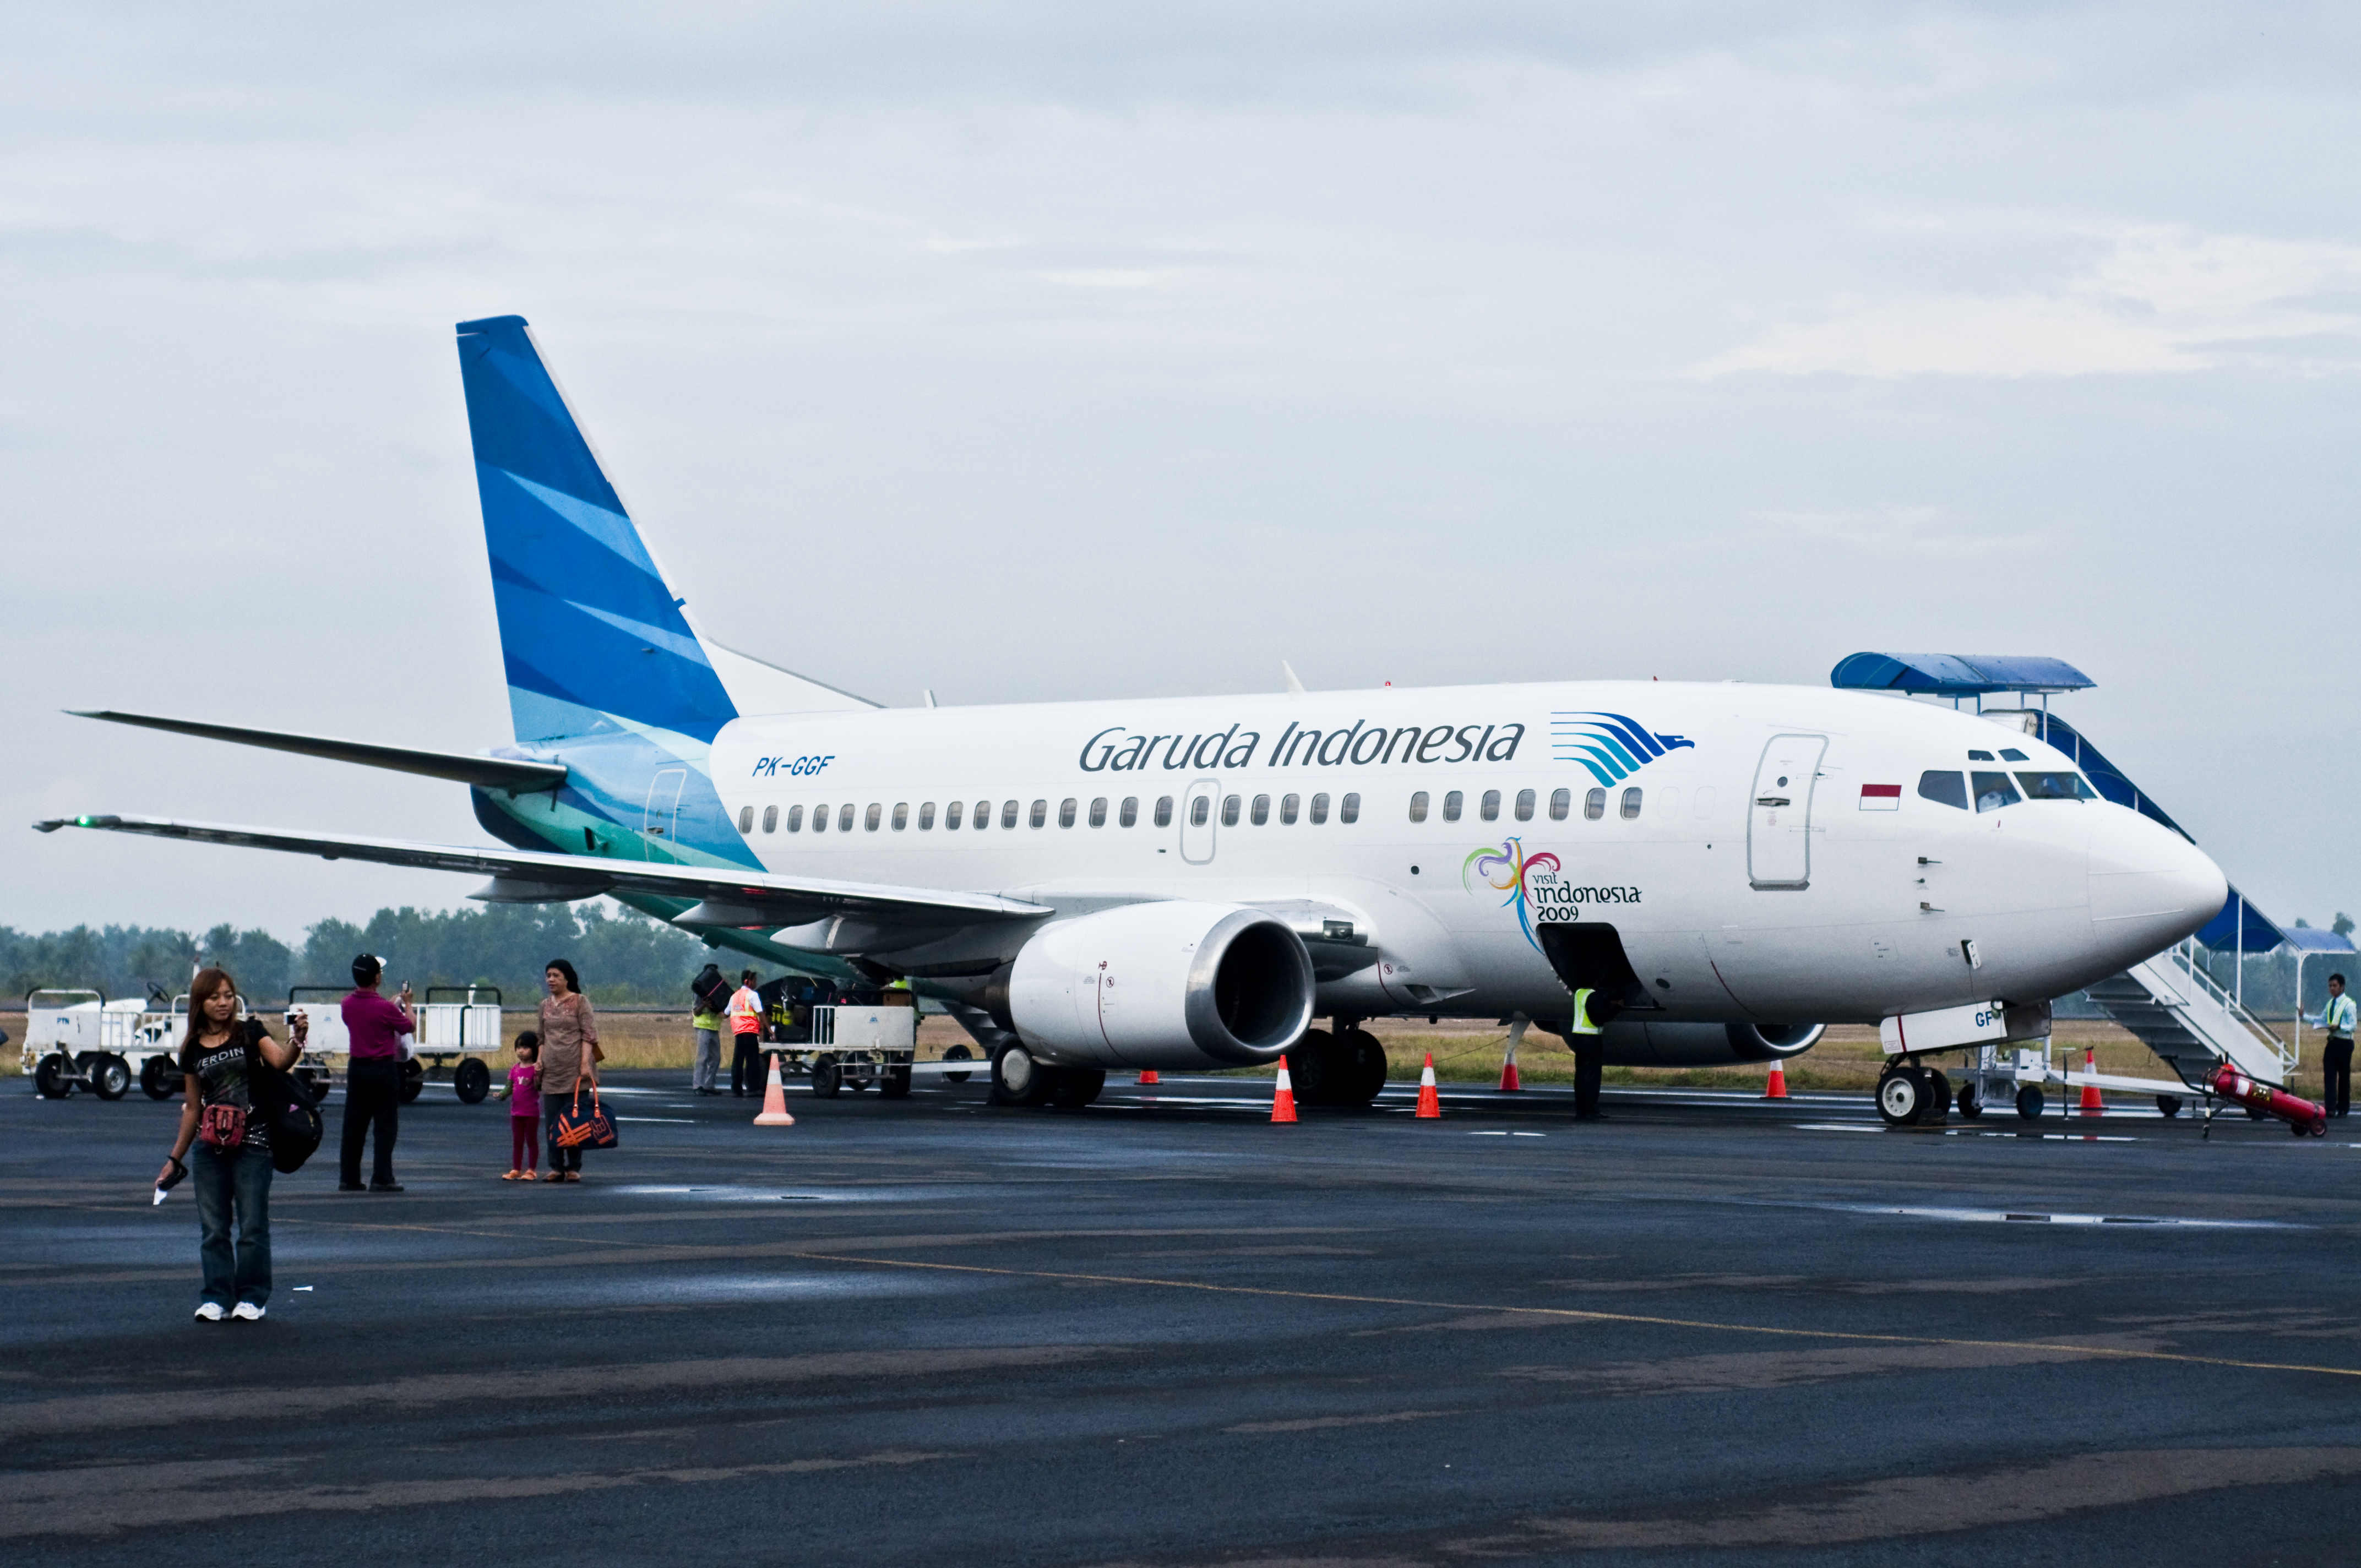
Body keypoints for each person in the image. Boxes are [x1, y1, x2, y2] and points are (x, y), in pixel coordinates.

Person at [156, 967, 302, 1321]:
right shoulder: (191, 1049)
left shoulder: (250, 1033)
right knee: (214, 1228)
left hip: (254, 1143)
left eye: (228, 995)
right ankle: (217, 1298)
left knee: (252, 1226)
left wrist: (297, 1040)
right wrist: (174, 1159)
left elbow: (281, 1062)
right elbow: (193, 1108)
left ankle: (252, 1297)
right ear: (200, 1002)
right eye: (214, 997)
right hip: (210, 1148)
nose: (223, 1003)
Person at [339, 954, 413, 1193]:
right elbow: (408, 1025)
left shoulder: (347, 1004)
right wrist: (407, 1004)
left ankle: (349, 1177)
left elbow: (366, 1014)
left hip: (357, 1068)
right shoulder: (385, 1008)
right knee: (385, 1126)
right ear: (377, 978)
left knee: (354, 1126)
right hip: (382, 1069)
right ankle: (382, 1176)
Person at [538, 959, 599, 1182]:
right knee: (553, 1123)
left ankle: (574, 1167)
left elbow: (589, 1035)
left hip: (575, 1072)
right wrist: (539, 1061)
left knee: (575, 1122)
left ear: (567, 979)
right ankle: (556, 1167)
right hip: (551, 1072)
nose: (551, 980)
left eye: (556, 975)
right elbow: (541, 1037)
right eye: (548, 976)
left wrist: (584, 1064)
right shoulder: (544, 1005)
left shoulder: (580, 1002)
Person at [503, 1032, 541, 1178]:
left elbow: (539, 1087)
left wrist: (538, 1074)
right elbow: (509, 1087)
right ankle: (516, 1169)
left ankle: (531, 1170)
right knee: (517, 1141)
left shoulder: (536, 1069)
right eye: (518, 1048)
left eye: (525, 1048)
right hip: (516, 1112)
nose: (520, 1051)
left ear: (534, 1049)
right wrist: (501, 1095)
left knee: (531, 1141)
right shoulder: (515, 1069)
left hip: (531, 1112)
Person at [690, 962, 728, 1096]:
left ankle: (709, 1085)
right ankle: (698, 1086)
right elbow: (696, 1012)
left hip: (714, 1027)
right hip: (703, 1027)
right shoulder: (699, 991)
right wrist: (704, 1005)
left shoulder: (716, 990)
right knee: (703, 1058)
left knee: (716, 1058)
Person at [2321, 973, 2355, 1118]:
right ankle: (2330, 1108)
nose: (2332, 989)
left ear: (2342, 987)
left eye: (2335, 986)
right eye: (2330, 986)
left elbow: (2353, 1026)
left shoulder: (2349, 1004)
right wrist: (2304, 1016)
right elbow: (2321, 1019)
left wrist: (2339, 1027)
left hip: (2344, 1042)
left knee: (2344, 1077)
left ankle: (2343, 1107)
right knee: (2329, 1076)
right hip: (2332, 1042)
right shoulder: (2330, 1004)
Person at [727, 968, 764, 1097]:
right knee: (752, 1061)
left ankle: (736, 1090)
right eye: (754, 981)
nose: (756, 983)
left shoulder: (734, 996)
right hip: (751, 1033)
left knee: (738, 1062)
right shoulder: (753, 995)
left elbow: (725, 1013)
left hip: (739, 1034)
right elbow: (761, 1013)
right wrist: (769, 1029)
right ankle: (753, 1089)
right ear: (747, 982)